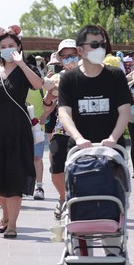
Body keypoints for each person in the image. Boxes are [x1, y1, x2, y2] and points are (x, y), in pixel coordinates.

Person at [0, 27, 44, 238]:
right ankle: (5, 213)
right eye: (3, 46)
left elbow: (38, 84)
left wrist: (21, 63)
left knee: (15, 179)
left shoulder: (26, 68)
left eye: (11, 46)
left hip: (19, 131)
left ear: (19, 47)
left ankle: (12, 224)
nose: (8, 49)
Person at [58, 24, 133, 150]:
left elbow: (125, 112)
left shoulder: (116, 75)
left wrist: (113, 138)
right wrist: (78, 138)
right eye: (94, 44)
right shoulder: (68, 78)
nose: (100, 48)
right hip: (80, 151)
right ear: (80, 50)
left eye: (102, 44)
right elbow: (64, 113)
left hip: (112, 149)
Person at [44, 40, 80, 219]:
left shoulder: (88, 74)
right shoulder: (58, 77)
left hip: (84, 129)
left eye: (72, 55)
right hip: (61, 128)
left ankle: (78, 201)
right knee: (56, 168)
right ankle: (64, 198)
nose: (69, 59)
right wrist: (50, 92)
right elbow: (48, 106)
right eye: (65, 56)